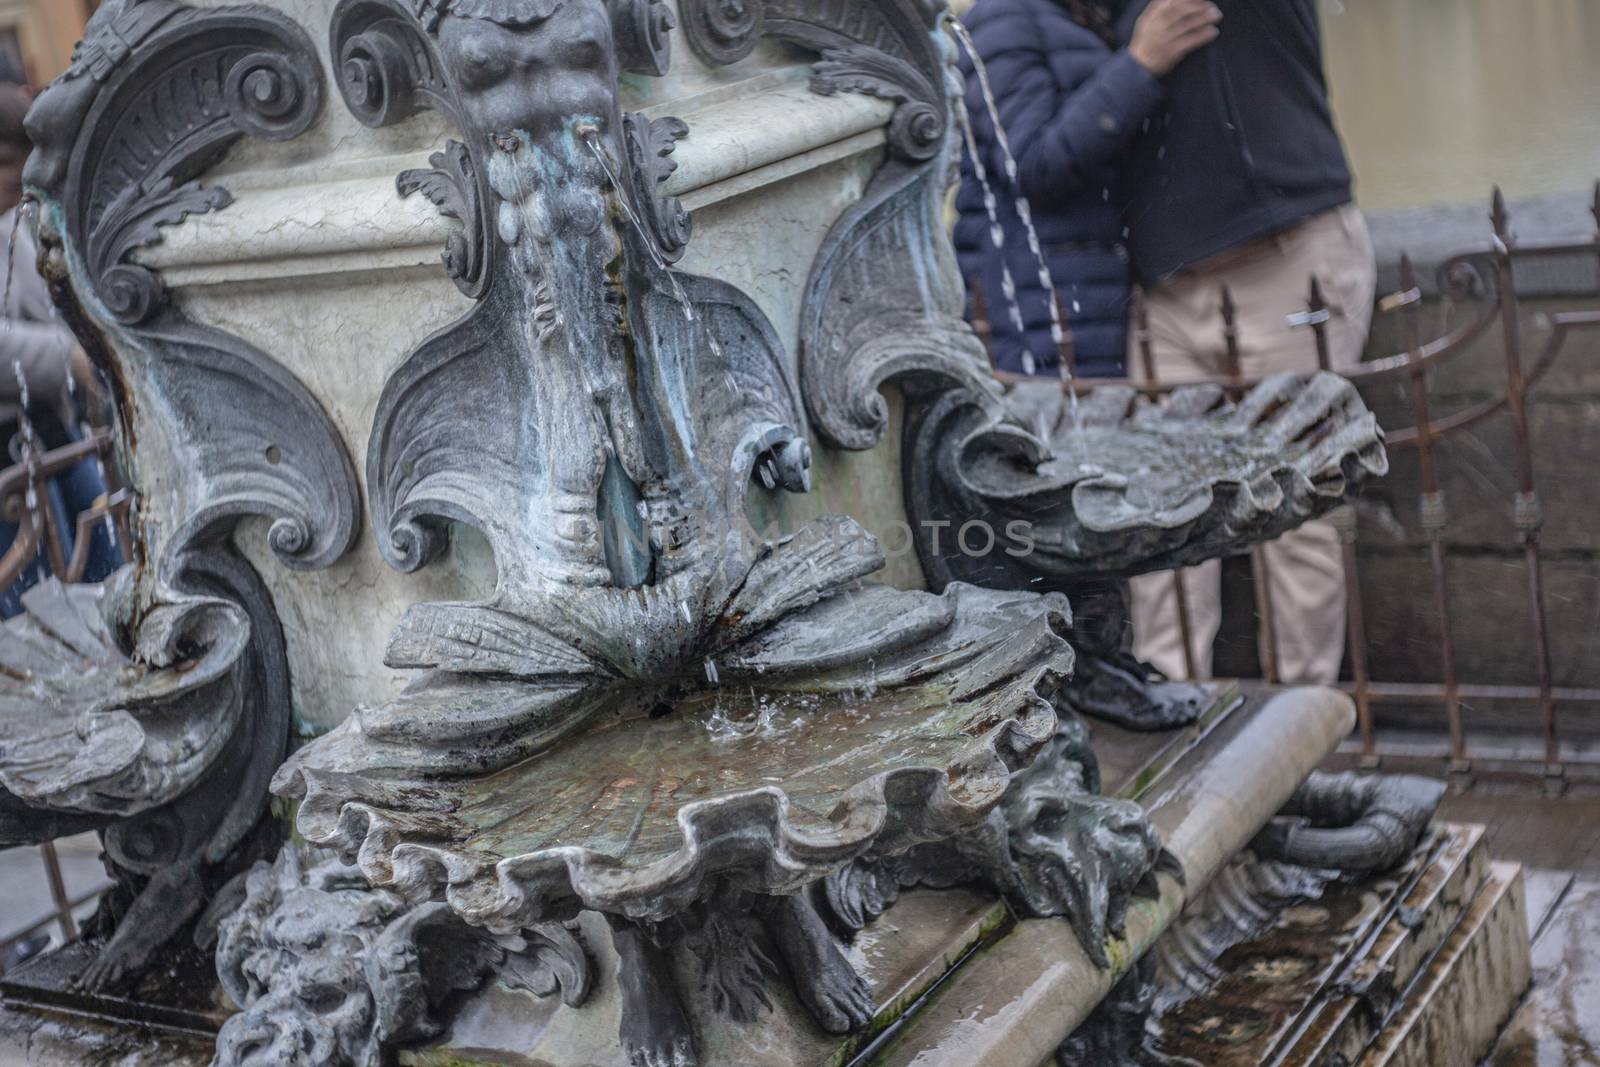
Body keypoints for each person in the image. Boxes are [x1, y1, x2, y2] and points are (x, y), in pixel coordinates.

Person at [1115, 0, 1377, 685]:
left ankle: (1300, 738)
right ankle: (1171, 740)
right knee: (1161, 518)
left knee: (1298, 509)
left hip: (1290, 263)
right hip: (1166, 290)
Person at [953, 0, 1222, 379]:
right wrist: (1140, 64)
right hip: (1037, 315)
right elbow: (1030, 165)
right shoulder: (1005, 16)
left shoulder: (1078, 17)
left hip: (1090, 304)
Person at [0, 81, 119, 615]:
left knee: (102, 579)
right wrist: (67, 355)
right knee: (30, 606)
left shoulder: (15, 225)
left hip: (49, 427)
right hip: (13, 447)